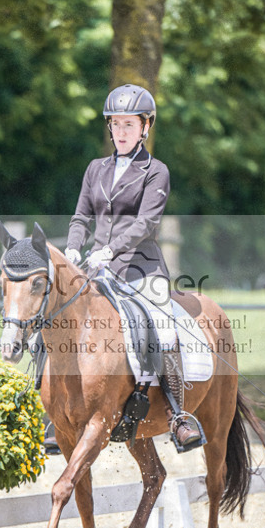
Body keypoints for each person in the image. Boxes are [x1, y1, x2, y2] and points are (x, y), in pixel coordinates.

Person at [65, 83, 202, 450]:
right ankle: (60, 411)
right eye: (116, 124)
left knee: (164, 327)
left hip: (142, 269)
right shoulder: (95, 169)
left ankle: (177, 415)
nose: (121, 132)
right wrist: (73, 250)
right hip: (96, 268)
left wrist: (108, 250)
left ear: (145, 126)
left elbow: (145, 224)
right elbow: (81, 216)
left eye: (129, 125)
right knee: (60, 317)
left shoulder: (155, 171)